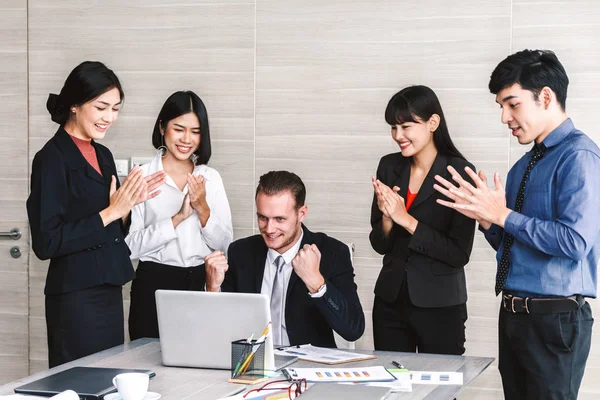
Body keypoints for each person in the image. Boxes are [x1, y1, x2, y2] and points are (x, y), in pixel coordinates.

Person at [434, 49, 600, 399]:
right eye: (500, 107)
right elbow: (513, 244)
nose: (504, 117)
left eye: (512, 104)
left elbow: (575, 242)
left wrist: (503, 216)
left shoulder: (579, 156)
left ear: (545, 97)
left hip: (554, 320)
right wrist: (487, 221)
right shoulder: (522, 166)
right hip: (513, 315)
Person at [27, 61, 165, 367]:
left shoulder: (102, 153)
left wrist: (127, 208)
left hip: (108, 289)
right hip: (74, 297)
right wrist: (110, 212)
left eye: (115, 109)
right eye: (102, 107)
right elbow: (46, 242)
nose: (109, 118)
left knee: (108, 382)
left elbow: (112, 228)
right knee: (79, 384)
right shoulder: (50, 159)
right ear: (75, 104)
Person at [369, 85, 476, 355]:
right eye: (393, 127)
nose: (398, 136)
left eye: (406, 126)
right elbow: (379, 243)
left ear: (433, 123)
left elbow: (458, 253)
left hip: (440, 305)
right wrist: (387, 219)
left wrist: (406, 220)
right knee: (393, 391)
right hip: (390, 302)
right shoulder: (388, 166)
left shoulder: (459, 173)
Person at [205, 171, 365, 347]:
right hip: (252, 364)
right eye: (262, 217)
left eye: (279, 219)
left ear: (301, 213)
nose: (270, 229)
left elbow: (353, 330)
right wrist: (213, 289)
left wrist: (316, 282)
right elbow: (220, 328)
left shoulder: (332, 252)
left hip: (308, 367)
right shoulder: (241, 252)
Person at [126, 91, 233, 340]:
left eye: (195, 132)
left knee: (198, 362)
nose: (187, 139)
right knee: (147, 362)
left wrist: (203, 208)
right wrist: (177, 219)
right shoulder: (141, 176)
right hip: (152, 283)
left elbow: (225, 246)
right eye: (179, 129)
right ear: (163, 127)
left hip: (200, 281)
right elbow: (129, 248)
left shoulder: (211, 178)